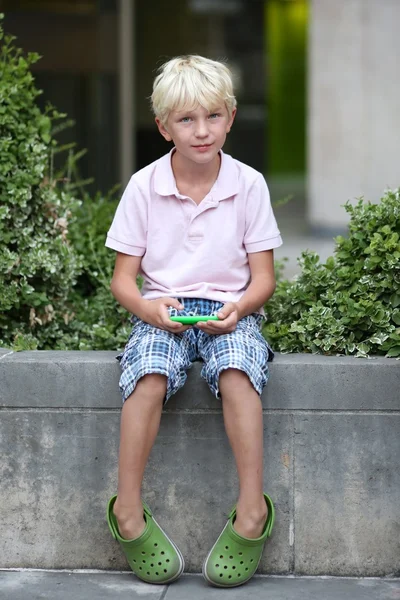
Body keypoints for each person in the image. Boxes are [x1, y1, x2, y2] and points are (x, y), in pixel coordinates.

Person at [105, 55, 282, 588]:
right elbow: (122, 281)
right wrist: (149, 310)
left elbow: (264, 280)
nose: (201, 131)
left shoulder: (249, 185)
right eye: (185, 120)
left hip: (231, 312)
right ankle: (128, 511)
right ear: (163, 127)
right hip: (163, 312)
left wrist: (241, 310)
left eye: (212, 116)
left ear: (230, 116)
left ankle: (252, 510)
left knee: (238, 373)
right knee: (149, 376)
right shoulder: (143, 186)